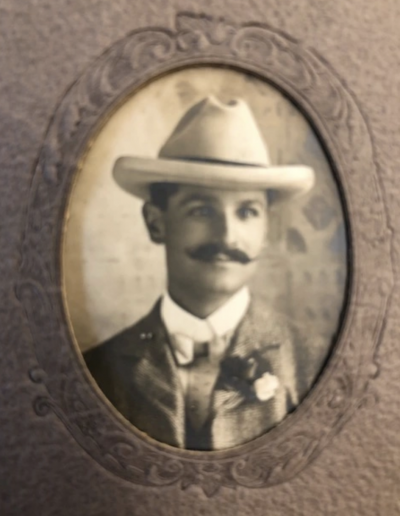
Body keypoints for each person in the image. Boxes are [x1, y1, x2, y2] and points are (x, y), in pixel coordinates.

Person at [84, 95, 316, 450]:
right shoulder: (97, 370)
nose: (226, 236)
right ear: (156, 223)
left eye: (248, 212)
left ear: (266, 228)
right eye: (202, 211)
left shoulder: (310, 363)